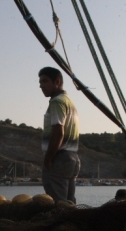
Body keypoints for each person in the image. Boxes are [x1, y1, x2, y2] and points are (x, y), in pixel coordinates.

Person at [38, 66, 81, 204]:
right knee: (69, 202)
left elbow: (58, 132)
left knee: (57, 203)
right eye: (40, 83)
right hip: (73, 157)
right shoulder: (69, 101)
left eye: (45, 81)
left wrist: (48, 159)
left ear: (57, 81)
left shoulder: (57, 102)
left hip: (60, 158)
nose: (41, 86)